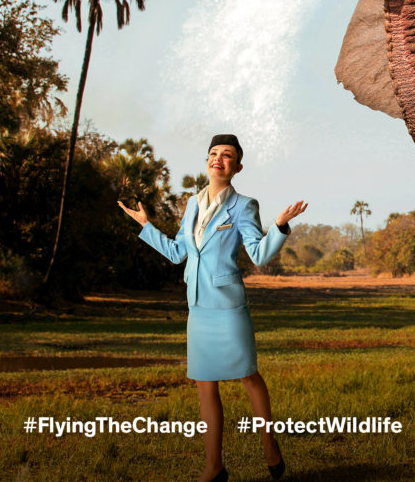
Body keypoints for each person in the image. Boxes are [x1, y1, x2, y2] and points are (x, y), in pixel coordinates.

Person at [119, 134, 306, 482]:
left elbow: (260, 254)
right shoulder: (191, 203)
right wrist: (146, 226)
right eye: (213, 153)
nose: (218, 159)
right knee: (205, 385)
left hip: (228, 306)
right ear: (207, 160)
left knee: (248, 375)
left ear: (237, 167)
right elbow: (178, 252)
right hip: (198, 307)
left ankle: (269, 443)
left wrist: (279, 226)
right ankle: (214, 467)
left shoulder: (244, 205)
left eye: (227, 155)